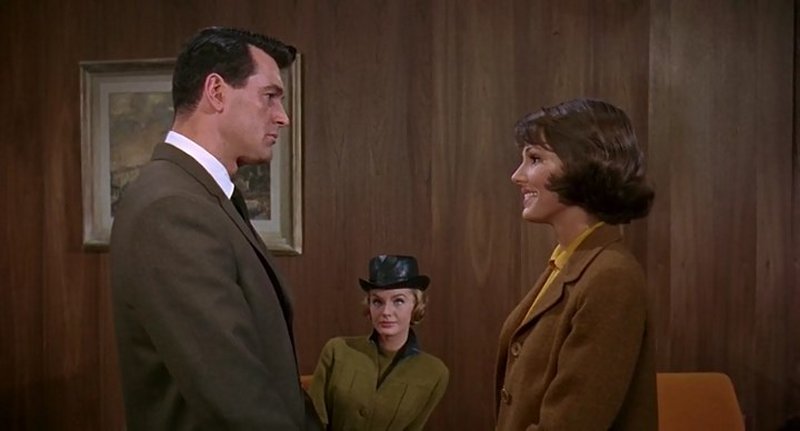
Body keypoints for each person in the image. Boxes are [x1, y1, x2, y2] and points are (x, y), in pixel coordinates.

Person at [110, 27, 320, 430]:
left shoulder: (199, 194)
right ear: (217, 92)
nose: (283, 116)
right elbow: (237, 399)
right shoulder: (172, 208)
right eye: (270, 96)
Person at [494, 98, 658, 430]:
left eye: (534, 159)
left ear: (583, 164)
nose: (516, 175)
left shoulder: (610, 276)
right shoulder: (569, 261)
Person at [307, 255, 449, 430]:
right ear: (369, 306)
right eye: (377, 302)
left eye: (398, 301)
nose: (386, 312)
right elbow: (311, 420)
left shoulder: (434, 373)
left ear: (416, 305)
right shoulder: (337, 350)